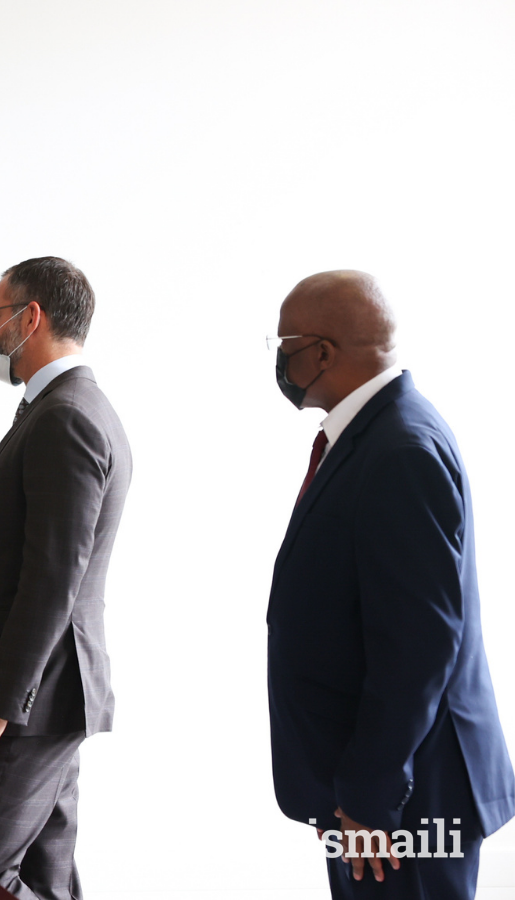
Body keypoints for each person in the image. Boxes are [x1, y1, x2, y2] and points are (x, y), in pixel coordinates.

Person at [268, 271, 515, 899]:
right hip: (372, 785)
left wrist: (372, 795)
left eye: (284, 343)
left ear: (320, 353)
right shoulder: (373, 435)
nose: (278, 358)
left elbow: (418, 644)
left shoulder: (399, 448)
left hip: (407, 797)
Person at [0, 257, 132, 900]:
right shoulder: (63, 410)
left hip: (30, 705)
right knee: (44, 878)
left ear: (30, 317)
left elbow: (50, 582)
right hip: (43, 698)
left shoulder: (65, 418)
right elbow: (13, 572)